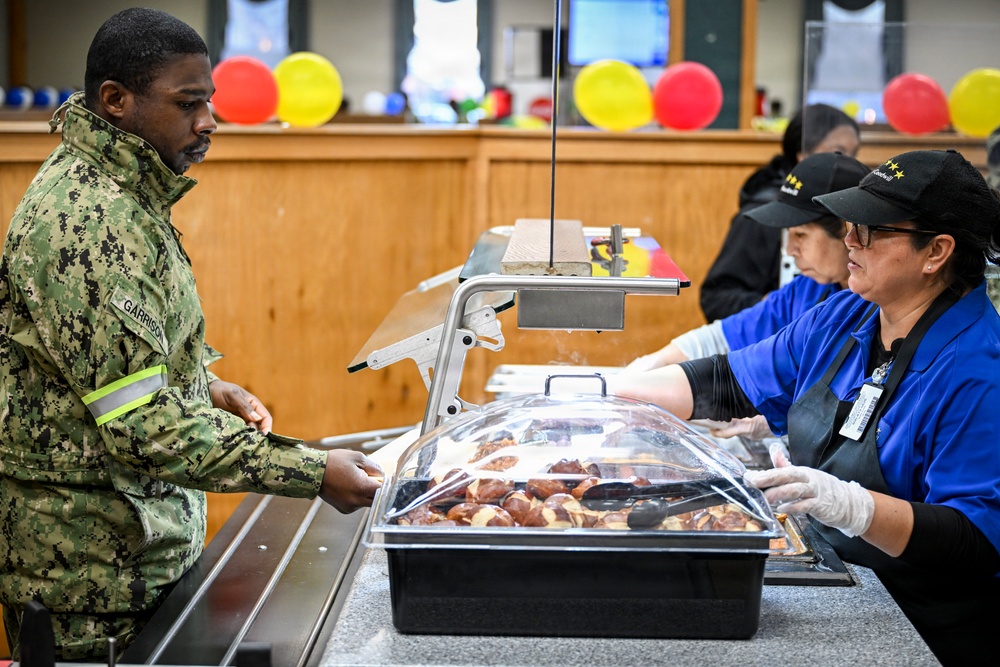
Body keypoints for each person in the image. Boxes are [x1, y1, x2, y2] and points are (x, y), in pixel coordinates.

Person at [0, 9, 382, 661]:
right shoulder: (90, 224)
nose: (208, 122)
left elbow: (113, 363)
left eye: (208, 102)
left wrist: (201, 383)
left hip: (136, 553)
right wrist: (313, 472)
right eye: (189, 104)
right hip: (90, 579)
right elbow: (142, 423)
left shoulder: (125, 192)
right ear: (116, 101)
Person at [610, 149, 1000, 665]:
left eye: (872, 230)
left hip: (927, 631)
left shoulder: (979, 370)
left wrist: (852, 506)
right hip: (847, 589)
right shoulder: (845, 315)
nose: (851, 241)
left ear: (937, 251)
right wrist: (608, 391)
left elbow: (972, 541)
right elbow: (726, 382)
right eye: (850, 225)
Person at [628, 151, 869, 440]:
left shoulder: (879, 310)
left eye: (801, 235)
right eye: (788, 235)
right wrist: (646, 369)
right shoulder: (809, 289)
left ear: (850, 232)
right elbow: (722, 339)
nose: (789, 249)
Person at [700, 104, 861, 322]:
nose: (848, 162)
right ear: (802, 154)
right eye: (838, 152)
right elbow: (716, 297)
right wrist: (773, 309)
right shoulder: (762, 214)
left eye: (854, 154)